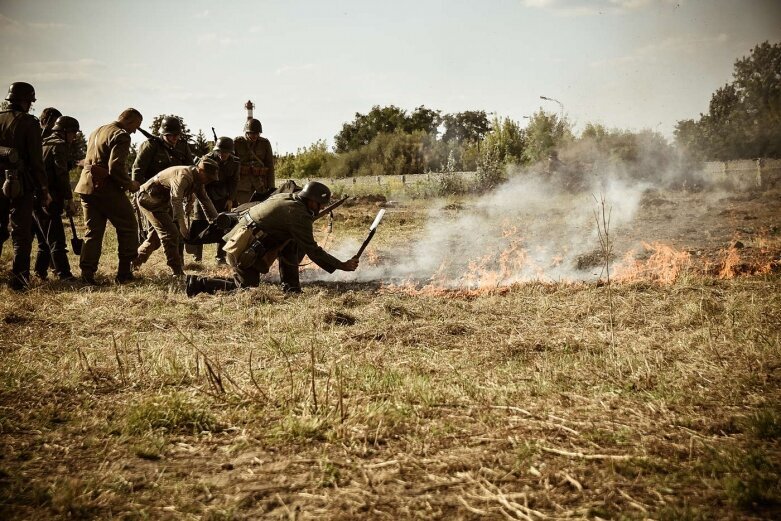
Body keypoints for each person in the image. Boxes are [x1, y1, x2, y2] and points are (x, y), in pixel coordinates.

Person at [185, 181, 359, 296]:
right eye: (320, 204)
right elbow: (313, 250)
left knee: (292, 241)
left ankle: (291, 287)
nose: (321, 208)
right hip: (243, 248)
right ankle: (198, 283)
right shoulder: (298, 214)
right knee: (246, 289)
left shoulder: (287, 197)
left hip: (249, 241)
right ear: (311, 201)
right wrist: (341, 265)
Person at [74, 108, 143, 284]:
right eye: (135, 126)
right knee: (128, 226)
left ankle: (87, 274)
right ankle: (124, 273)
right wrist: (130, 184)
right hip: (106, 189)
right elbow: (116, 167)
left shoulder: (97, 130)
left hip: (86, 187)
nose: (134, 131)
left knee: (93, 232)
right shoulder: (121, 135)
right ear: (128, 121)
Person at [0, 81, 51, 290]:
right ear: (24, 101)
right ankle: (19, 280)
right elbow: (36, 161)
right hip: (20, 183)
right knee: (22, 233)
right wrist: (44, 189)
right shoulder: (29, 123)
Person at [132, 157, 220, 276]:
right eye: (208, 177)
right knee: (170, 233)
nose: (209, 180)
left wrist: (216, 222)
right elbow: (176, 200)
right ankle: (176, 270)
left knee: (155, 239)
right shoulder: (184, 176)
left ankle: (133, 263)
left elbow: (205, 201)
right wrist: (182, 226)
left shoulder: (199, 181)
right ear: (200, 171)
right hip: (149, 199)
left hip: (163, 202)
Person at [33, 115, 80, 281]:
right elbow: (61, 175)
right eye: (73, 133)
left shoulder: (43, 143)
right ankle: (64, 274)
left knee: (44, 239)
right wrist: (69, 199)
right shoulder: (59, 146)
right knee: (56, 239)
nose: (74, 137)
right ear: (65, 132)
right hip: (50, 198)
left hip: (36, 196)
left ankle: (40, 271)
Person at [131, 116, 193, 243]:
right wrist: (137, 191)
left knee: (176, 227)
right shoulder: (150, 145)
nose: (175, 138)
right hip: (153, 194)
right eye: (171, 135)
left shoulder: (182, 146)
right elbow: (138, 169)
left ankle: (178, 260)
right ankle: (140, 256)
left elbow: (190, 169)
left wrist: (190, 192)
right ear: (163, 134)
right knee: (157, 232)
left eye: (177, 135)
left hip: (175, 193)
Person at [189, 136, 239, 264]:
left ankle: (220, 256)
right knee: (199, 224)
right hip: (204, 193)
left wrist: (230, 199)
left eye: (226, 152)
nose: (223, 155)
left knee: (224, 224)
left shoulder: (235, 163)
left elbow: (234, 182)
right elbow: (199, 179)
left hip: (222, 196)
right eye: (221, 152)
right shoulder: (206, 159)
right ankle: (197, 257)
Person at [234, 118, 274, 205]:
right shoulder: (237, 143)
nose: (255, 136)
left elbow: (270, 165)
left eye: (257, 133)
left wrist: (271, 187)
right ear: (247, 132)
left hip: (260, 185)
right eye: (252, 133)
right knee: (243, 209)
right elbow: (232, 165)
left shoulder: (265, 143)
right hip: (243, 186)